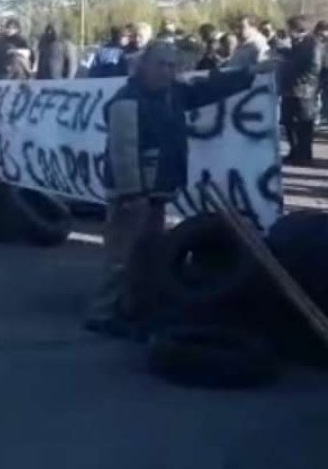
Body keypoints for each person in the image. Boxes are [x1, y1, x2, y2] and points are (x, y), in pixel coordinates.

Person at [85, 41, 275, 336]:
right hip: (134, 195)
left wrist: (251, 72)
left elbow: (211, 88)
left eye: (172, 66)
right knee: (121, 257)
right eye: (161, 64)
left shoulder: (173, 94)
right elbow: (122, 153)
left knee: (147, 253)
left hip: (157, 191)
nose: (167, 71)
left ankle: (133, 308)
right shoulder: (128, 101)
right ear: (144, 65)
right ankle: (102, 313)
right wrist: (132, 195)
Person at [280, 15, 321, 165]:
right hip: (289, 88)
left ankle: (304, 155)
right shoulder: (294, 43)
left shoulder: (312, 43)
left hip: (304, 90)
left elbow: (314, 66)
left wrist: (301, 80)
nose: (288, 31)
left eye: (290, 28)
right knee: (288, 122)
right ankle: (294, 151)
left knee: (304, 125)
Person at [315, 20, 328, 125]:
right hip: (321, 70)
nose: (321, 35)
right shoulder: (320, 42)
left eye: (323, 32)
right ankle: (321, 116)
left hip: (325, 70)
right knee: (319, 94)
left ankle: (324, 116)